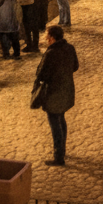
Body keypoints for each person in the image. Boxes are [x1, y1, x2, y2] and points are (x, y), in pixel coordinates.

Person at [33, 24, 79, 167]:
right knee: (61, 119)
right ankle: (62, 150)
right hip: (66, 90)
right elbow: (76, 66)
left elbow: (41, 74)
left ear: (52, 38)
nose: (46, 39)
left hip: (53, 93)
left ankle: (59, 156)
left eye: (47, 37)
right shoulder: (70, 48)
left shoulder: (51, 53)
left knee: (55, 123)